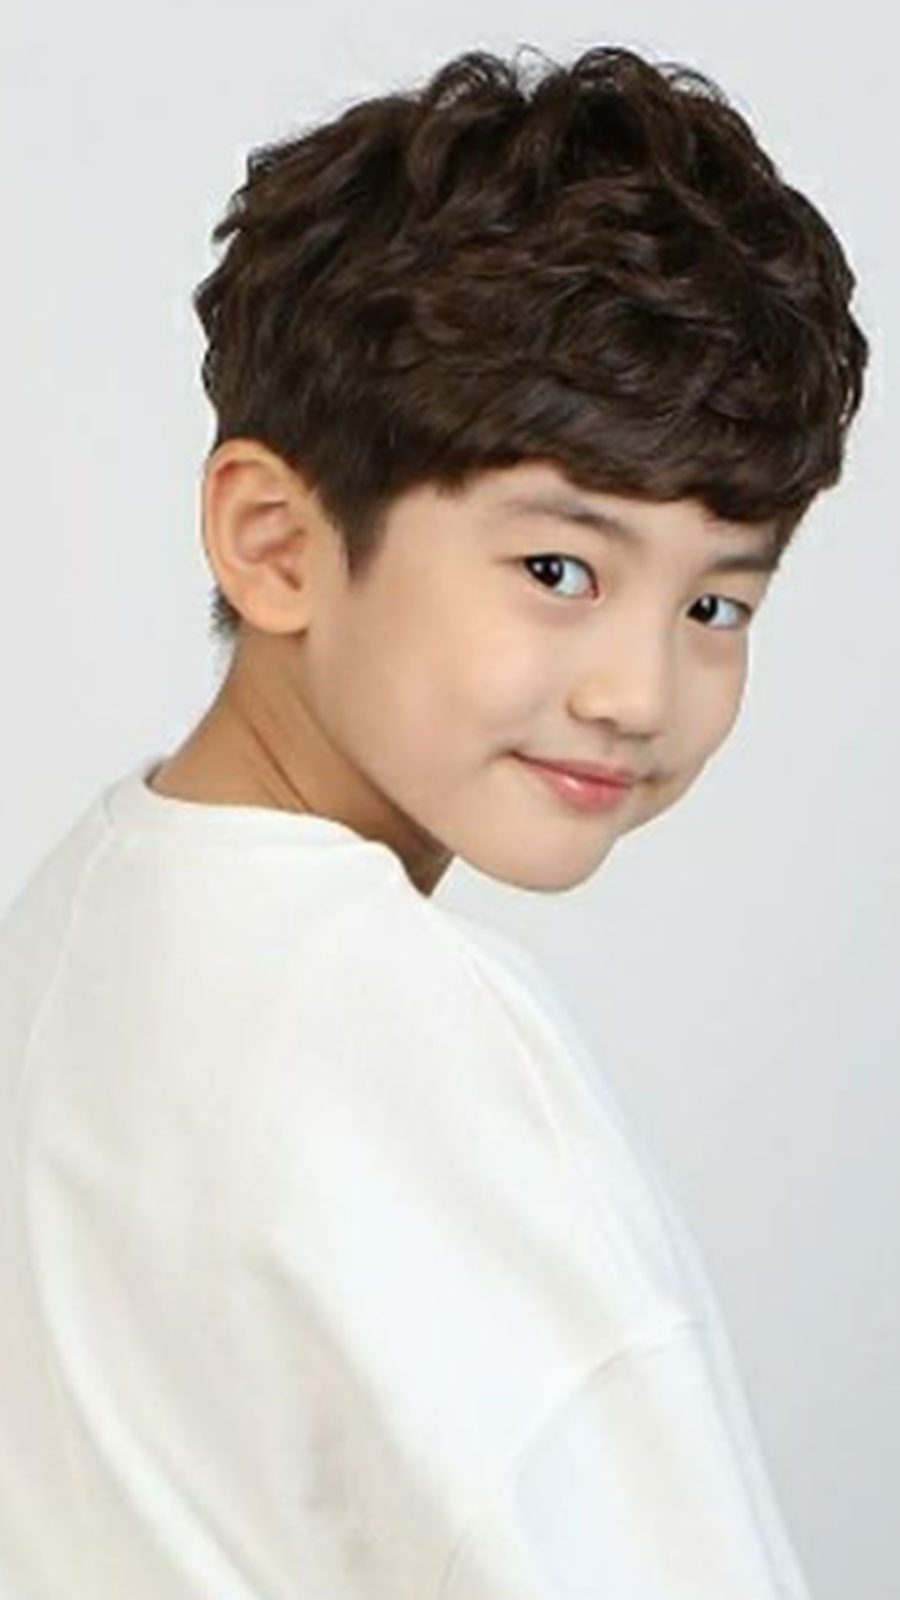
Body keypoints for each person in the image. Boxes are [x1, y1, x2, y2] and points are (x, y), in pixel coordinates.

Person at [0, 43, 867, 1599]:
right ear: (277, 543)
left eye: (718, 603)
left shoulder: (89, 914)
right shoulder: (398, 1021)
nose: (637, 691)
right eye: (559, 570)